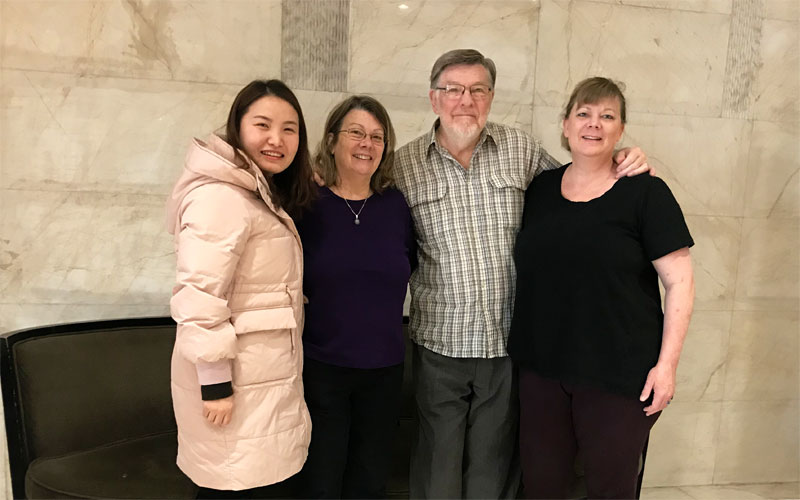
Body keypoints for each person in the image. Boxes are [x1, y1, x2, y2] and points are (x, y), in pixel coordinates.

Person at [393, 49, 651, 499]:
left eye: (478, 90)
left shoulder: (520, 149)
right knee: (437, 467)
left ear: (491, 98)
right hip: (439, 343)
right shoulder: (403, 165)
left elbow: (580, 187)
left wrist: (621, 159)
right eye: (453, 90)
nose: (465, 101)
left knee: (493, 469)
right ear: (434, 99)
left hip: (507, 344)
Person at [507, 77, 695, 499]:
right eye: (584, 114)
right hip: (542, 370)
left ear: (621, 129)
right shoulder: (540, 189)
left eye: (607, 116)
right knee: (542, 487)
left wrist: (666, 367)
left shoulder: (646, 192)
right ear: (566, 125)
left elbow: (680, 282)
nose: (594, 124)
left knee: (611, 489)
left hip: (619, 374)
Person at [166, 79, 317, 497]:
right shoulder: (220, 198)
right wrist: (215, 384)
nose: (277, 139)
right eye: (263, 125)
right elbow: (199, 296)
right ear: (238, 126)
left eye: (290, 129)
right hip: (234, 387)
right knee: (232, 485)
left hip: (261, 380)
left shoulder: (255, 194)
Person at [296, 95, 415, 498]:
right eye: (356, 133)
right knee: (321, 481)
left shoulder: (396, 206)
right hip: (322, 368)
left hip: (384, 370)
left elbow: (409, 264)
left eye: (377, 137)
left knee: (370, 481)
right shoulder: (307, 204)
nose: (367, 144)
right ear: (331, 141)